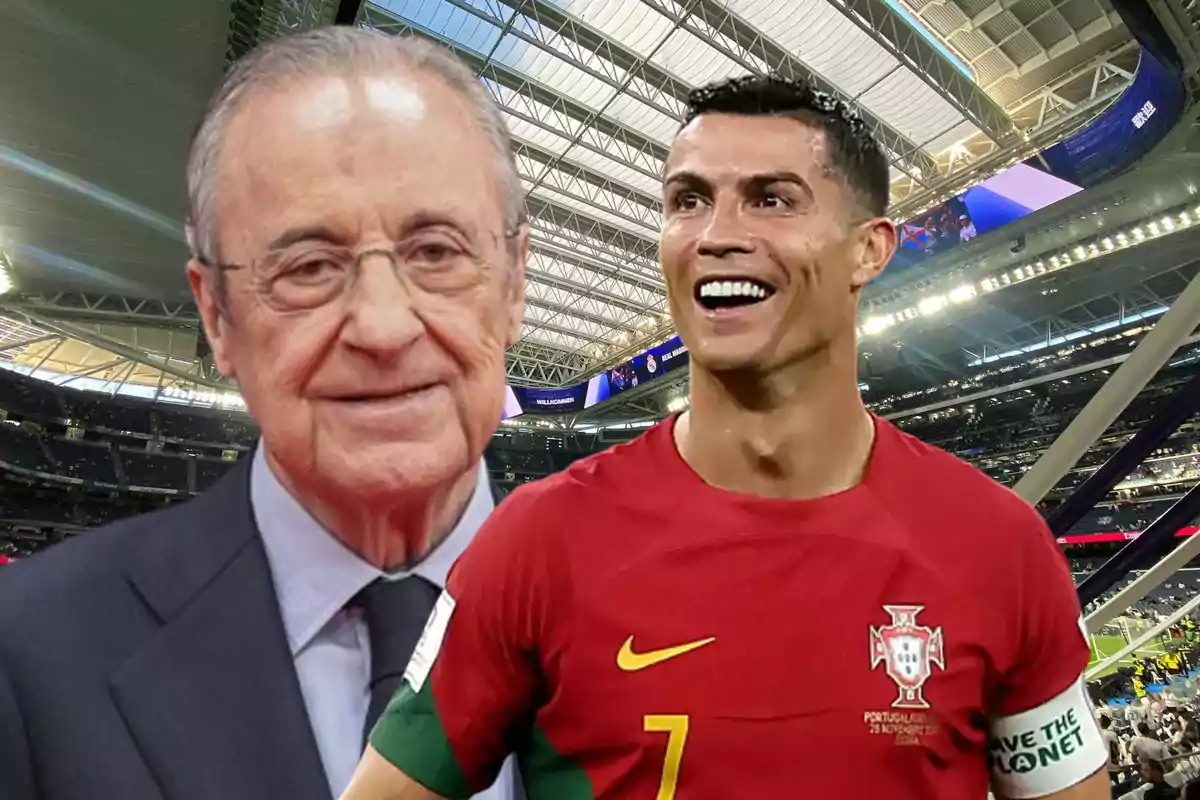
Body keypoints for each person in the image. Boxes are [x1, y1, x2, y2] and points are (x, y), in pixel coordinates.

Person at [341, 74, 1109, 799]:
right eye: (688, 200)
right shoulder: (538, 542)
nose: (716, 234)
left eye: (771, 200)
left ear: (870, 249)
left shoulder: (999, 546)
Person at [0, 28, 527, 800]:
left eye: (436, 252)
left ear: (514, 283)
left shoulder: (668, 627)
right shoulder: (24, 651)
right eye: (309, 267)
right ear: (216, 315)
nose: (383, 326)